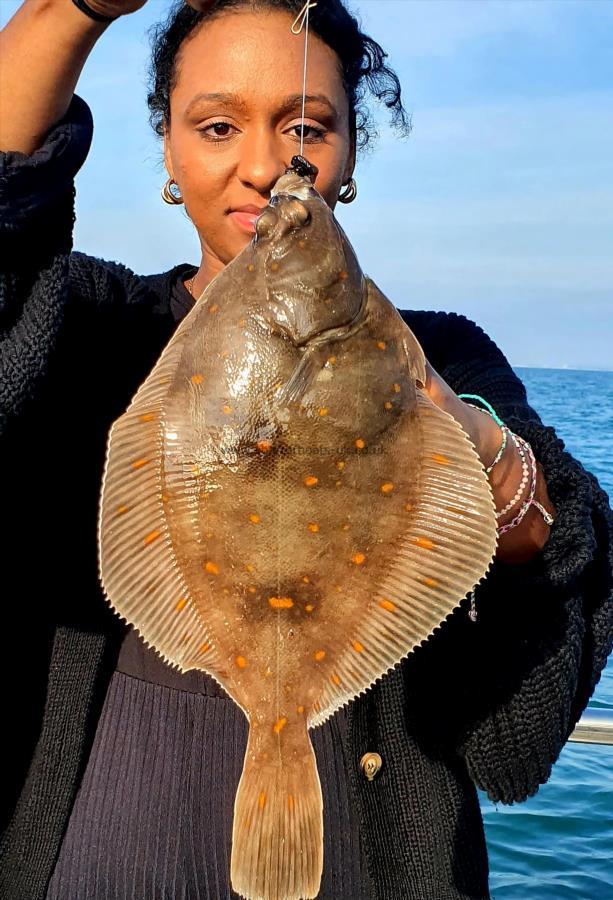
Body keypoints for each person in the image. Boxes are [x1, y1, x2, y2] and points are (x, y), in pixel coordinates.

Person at [0, 0, 611, 898]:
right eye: (216, 126)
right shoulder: (94, 328)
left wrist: (475, 438)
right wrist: (71, 11)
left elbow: (551, 558)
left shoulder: (442, 356)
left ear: (348, 157)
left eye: (305, 129)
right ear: (166, 149)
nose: (264, 170)